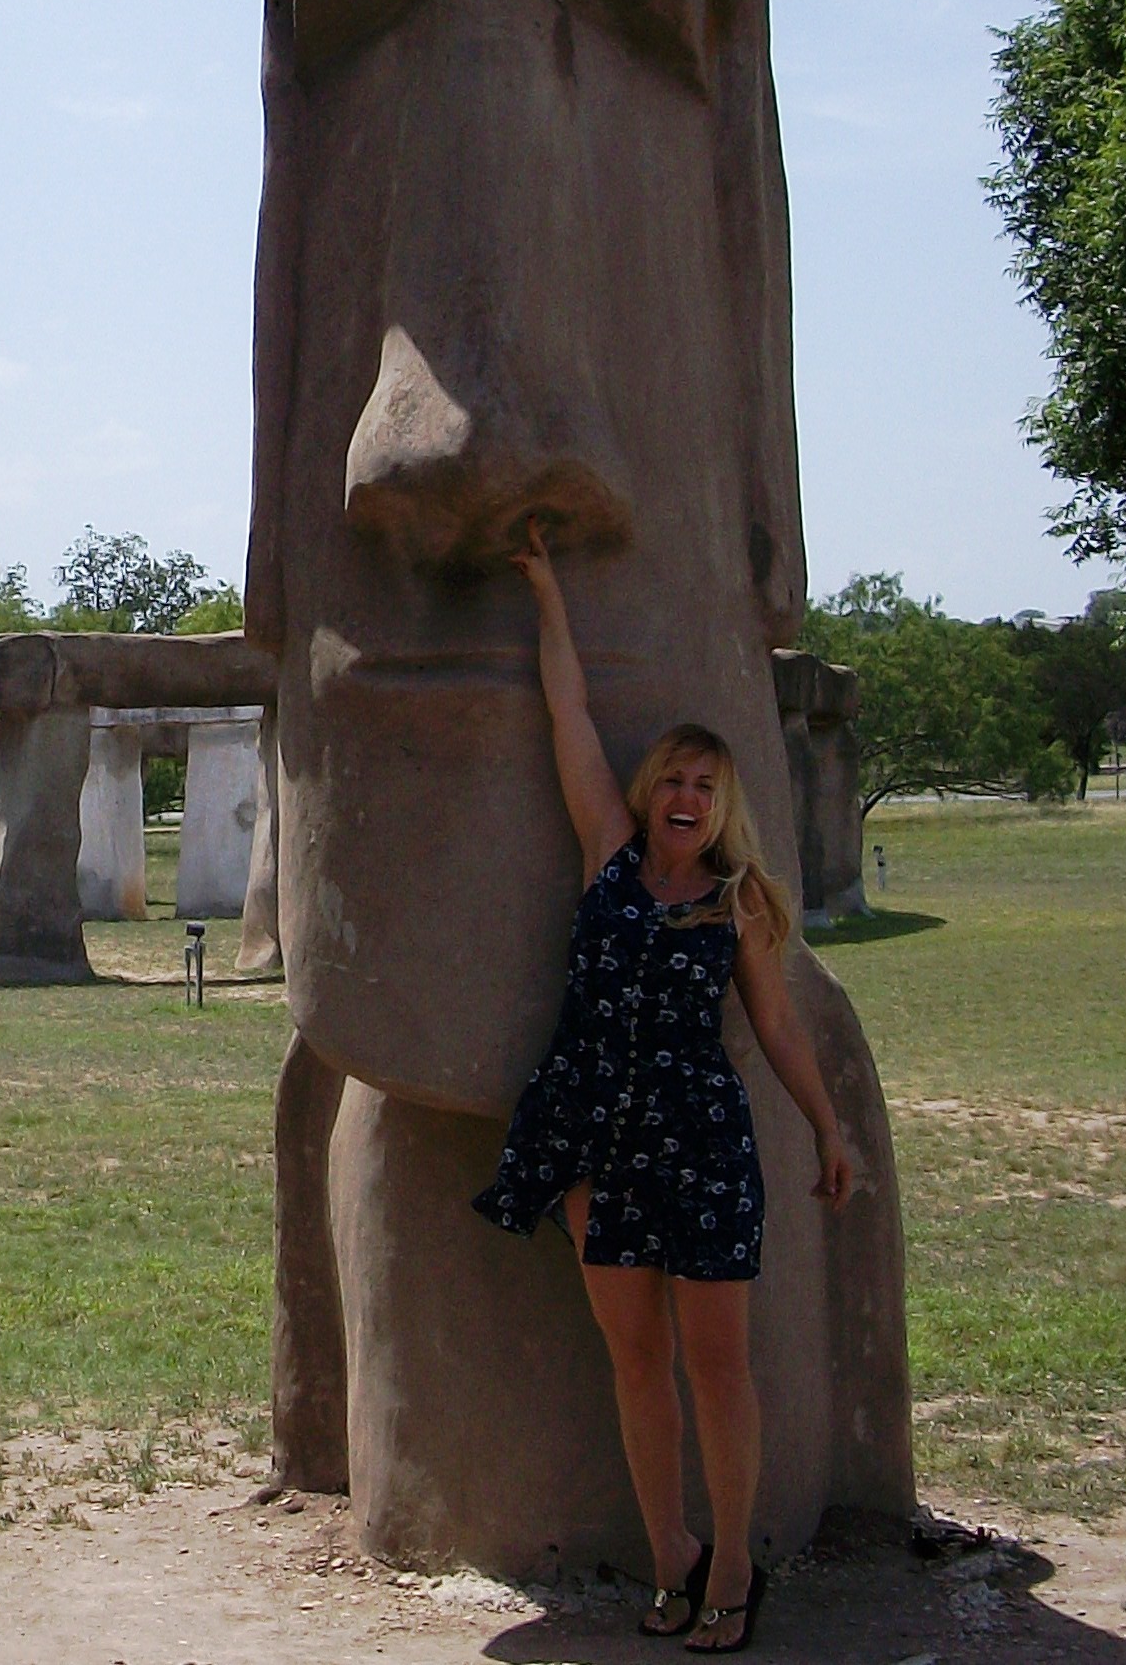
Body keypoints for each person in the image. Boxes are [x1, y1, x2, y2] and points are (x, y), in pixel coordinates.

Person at [473, 521, 859, 1655]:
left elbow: (777, 1028)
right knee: (633, 1362)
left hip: (699, 1139)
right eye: (673, 779)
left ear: (722, 803)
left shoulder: (735, 897)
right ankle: (670, 1553)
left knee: (715, 1366)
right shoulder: (604, 846)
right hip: (595, 1133)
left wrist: (828, 1130)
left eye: (705, 783)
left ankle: (734, 1563)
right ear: (648, 792)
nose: (685, 794)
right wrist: (547, 595)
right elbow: (568, 713)